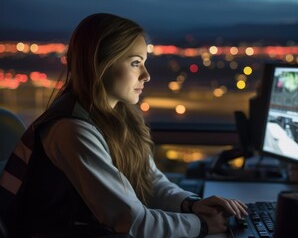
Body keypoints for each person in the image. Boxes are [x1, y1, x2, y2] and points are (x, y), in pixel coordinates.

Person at [0, 13, 248, 238]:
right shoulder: (71, 130)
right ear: (100, 64)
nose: (147, 75)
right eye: (135, 62)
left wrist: (192, 204)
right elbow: (131, 220)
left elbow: (150, 180)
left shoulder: (120, 115)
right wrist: (202, 226)